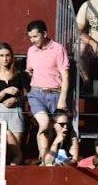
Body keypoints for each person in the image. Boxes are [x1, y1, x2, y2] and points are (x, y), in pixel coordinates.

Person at [25, 19, 71, 161]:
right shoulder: (31, 50)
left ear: (44, 34)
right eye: (30, 37)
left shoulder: (58, 49)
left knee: (59, 129)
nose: (32, 40)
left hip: (56, 94)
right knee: (44, 124)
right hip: (37, 93)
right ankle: (44, 159)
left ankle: (49, 159)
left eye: (35, 36)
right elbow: (30, 70)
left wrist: (62, 98)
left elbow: (65, 75)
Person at [0, 42, 27, 164]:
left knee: (15, 150)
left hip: (16, 112)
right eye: (1, 55)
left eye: (7, 55)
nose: (5, 58)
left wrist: (17, 99)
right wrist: (5, 91)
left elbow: (26, 95)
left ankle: (13, 171)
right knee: (1, 148)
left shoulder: (19, 73)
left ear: (12, 56)